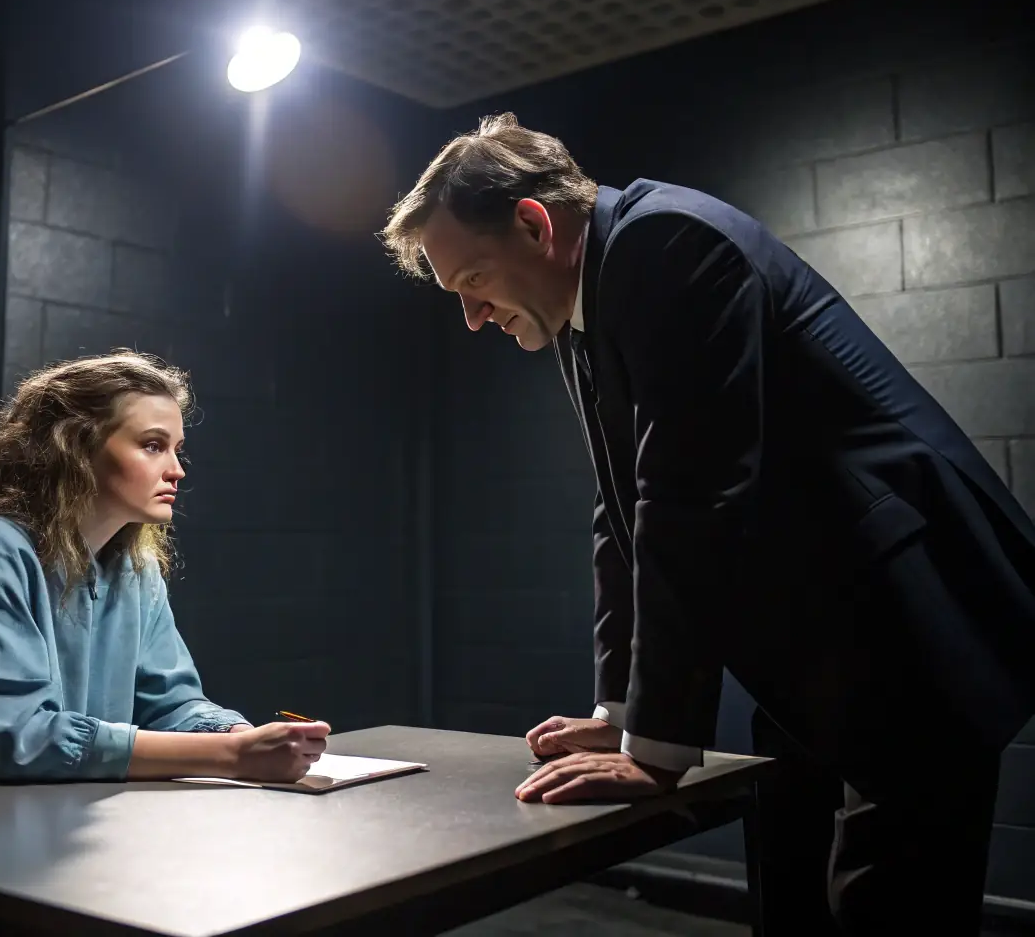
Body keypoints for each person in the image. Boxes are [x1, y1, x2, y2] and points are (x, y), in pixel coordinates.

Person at [381, 113, 1035, 935]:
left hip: (912, 623)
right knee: (790, 889)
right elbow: (621, 510)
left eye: (473, 279)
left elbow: (690, 501)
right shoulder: (588, 301)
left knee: (888, 909)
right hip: (821, 642)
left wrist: (655, 752)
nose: (473, 317)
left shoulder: (667, 243)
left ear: (535, 225)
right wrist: (620, 713)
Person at [0, 350, 329, 794]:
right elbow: (21, 739)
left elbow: (170, 703)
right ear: (76, 447)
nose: (176, 470)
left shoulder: (136, 568)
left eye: (176, 449)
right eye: (152, 446)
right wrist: (232, 756)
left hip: (71, 815)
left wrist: (239, 736)